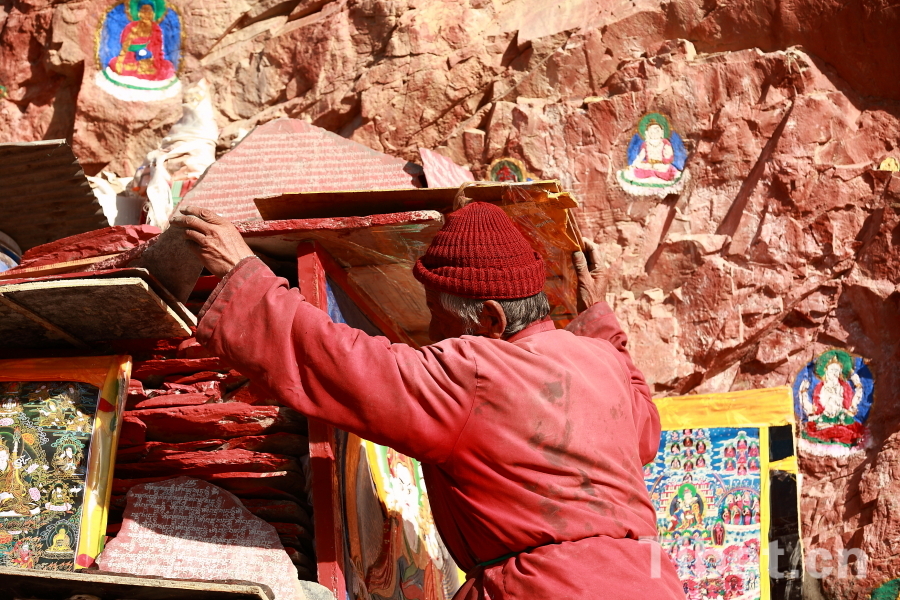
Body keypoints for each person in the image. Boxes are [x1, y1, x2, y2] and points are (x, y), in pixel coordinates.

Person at [171, 203, 684, 599]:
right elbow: (646, 430)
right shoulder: (600, 361)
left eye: (435, 315)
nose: (430, 334)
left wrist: (245, 275)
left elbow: (343, 364)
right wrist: (600, 322)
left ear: (489, 321)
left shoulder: (477, 373)